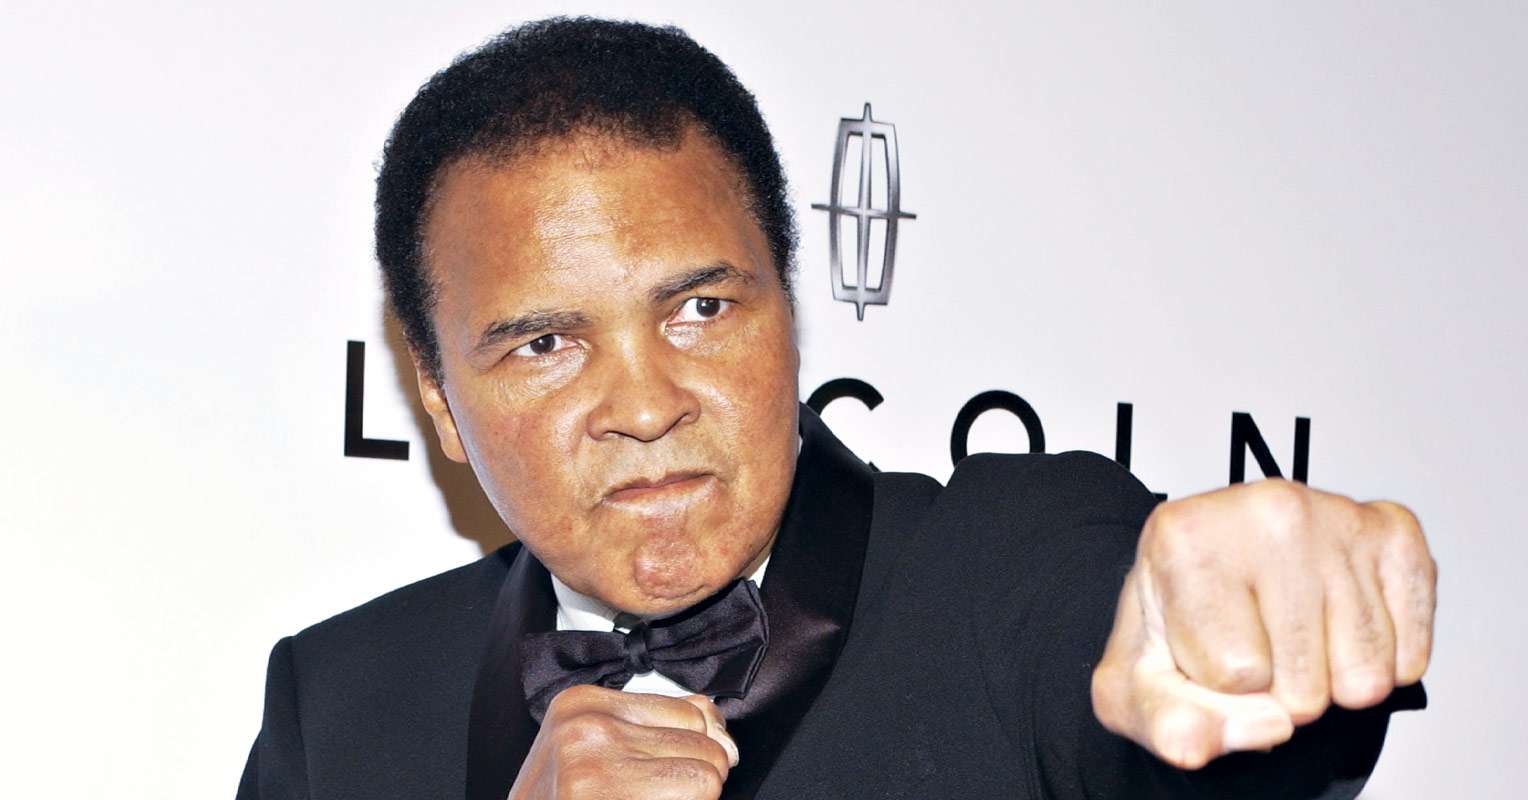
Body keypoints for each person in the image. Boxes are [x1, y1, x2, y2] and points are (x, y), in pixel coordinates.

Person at [238, 17, 1433, 800]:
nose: (644, 406)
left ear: (789, 308)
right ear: (440, 401)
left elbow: (1153, 692)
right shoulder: (340, 700)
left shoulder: (1015, 562)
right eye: (545, 343)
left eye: (700, 308)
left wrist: (1250, 652)